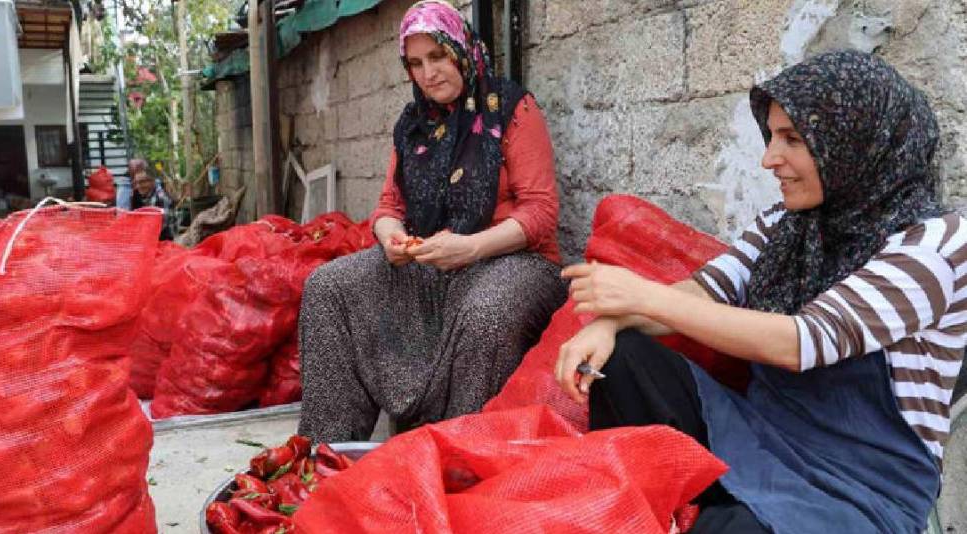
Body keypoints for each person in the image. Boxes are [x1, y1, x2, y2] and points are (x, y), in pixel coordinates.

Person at [555, 50, 965, 533]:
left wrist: (642, 297)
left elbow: (803, 341)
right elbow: (707, 290)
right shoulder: (789, 225)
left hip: (858, 487)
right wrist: (609, 324)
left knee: (729, 531)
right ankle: (653, 511)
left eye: (793, 139)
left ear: (854, 140)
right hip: (758, 436)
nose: (770, 159)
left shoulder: (937, 244)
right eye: (772, 137)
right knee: (623, 359)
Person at [298, 0, 567, 443]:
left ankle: (460, 453)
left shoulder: (511, 109)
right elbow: (388, 207)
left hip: (516, 262)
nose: (428, 73)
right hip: (434, 261)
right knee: (329, 287)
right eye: (416, 63)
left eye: (438, 56)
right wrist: (392, 238)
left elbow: (540, 212)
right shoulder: (413, 126)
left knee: (487, 312)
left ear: (461, 50)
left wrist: (472, 247)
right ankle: (331, 452)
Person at [129, 159, 173, 240]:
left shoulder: (160, 197)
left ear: (152, 181)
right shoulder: (138, 194)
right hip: (148, 236)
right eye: (136, 183)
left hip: (162, 239)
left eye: (142, 182)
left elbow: (162, 226)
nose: (138, 186)